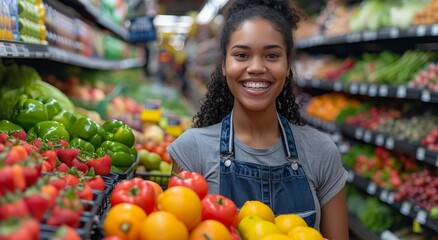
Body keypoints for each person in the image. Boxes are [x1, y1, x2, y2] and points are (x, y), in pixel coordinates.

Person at [167, 0, 349, 239]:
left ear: (287, 67)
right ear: (223, 65)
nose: (256, 67)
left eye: (271, 55)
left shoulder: (321, 152)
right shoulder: (192, 150)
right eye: (241, 55)